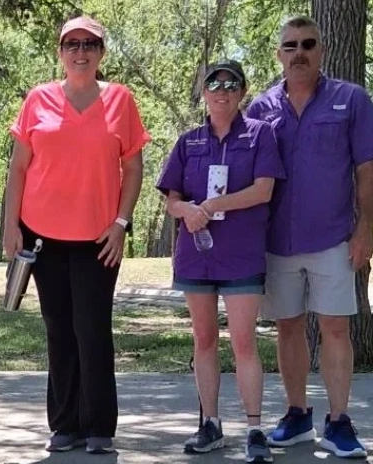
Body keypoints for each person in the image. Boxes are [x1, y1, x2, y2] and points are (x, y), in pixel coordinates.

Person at [3, 15, 150, 454]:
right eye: (72, 44)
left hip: (99, 239)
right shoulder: (38, 99)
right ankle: (64, 425)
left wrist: (121, 223)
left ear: (101, 53)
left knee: (92, 329)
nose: (81, 52)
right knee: (58, 330)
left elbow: (133, 167)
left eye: (89, 44)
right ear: (61, 52)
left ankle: (99, 426)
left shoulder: (121, 100)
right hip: (42, 236)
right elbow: (18, 167)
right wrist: (10, 225)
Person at [246, 16, 373, 459]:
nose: (298, 52)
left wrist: (366, 228)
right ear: (278, 54)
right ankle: (297, 416)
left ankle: (339, 423)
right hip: (276, 239)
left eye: (307, 44)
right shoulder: (260, 108)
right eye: (290, 45)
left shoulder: (351, 100)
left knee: (336, 326)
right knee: (288, 325)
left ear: (322, 50)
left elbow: (367, 170)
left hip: (334, 236)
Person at [157, 59, 285, 463]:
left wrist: (213, 205)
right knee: (204, 339)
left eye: (232, 85)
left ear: (242, 92)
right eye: (214, 84)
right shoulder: (189, 142)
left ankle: (254, 429)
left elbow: (263, 190)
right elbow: (172, 200)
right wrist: (187, 210)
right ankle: (210, 424)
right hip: (196, 257)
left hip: (242, 255)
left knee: (244, 342)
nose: (222, 92)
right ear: (204, 91)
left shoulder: (260, 134)